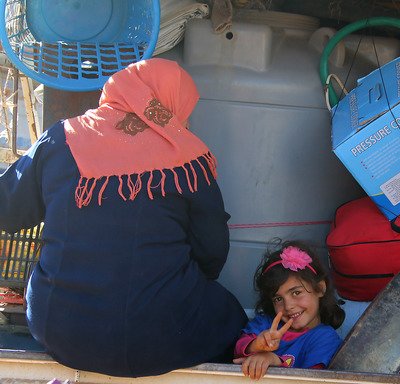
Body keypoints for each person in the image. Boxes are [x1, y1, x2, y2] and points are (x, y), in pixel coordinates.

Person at [0, 58, 248, 377]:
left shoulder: (61, 139)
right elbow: (212, 251)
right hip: (168, 336)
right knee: (231, 316)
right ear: (169, 102)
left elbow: (8, 211)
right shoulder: (191, 158)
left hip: (63, 330)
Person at [233, 240, 345, 379]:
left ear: (320, 288)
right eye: (278, 299)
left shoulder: (325, 338)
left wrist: (274, 363)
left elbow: (310, 381)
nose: (288, 306)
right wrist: (257, 346)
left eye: (296, 293)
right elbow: (239, 348)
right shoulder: (264, 324)